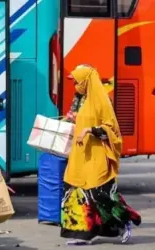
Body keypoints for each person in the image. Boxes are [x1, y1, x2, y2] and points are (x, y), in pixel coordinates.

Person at [60, 65, 141, 245]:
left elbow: (112, 130)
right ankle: (82, 234)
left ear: (87, 81)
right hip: (80, 154)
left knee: (100, 193)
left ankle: (124, 221)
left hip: (98, 155)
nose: (75, 85)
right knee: (76, 191)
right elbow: (71, 118)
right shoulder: (80, 98)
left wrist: (90, 130)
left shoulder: (103, 102)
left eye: (78, 81)